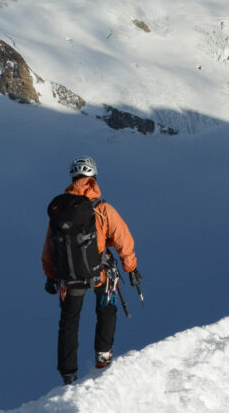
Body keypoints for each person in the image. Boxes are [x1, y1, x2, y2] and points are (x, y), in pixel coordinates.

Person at [42, 156, 142, 385]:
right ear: (93, 178)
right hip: (100, 273)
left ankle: (68, 372)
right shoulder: (102, 208)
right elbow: (123, 240)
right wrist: (131, 268)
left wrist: (50, 275)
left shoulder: (59, 210)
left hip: (69, 278)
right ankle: (103, 355)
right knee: (106, 310)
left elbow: (49, 245)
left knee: (69, 322)